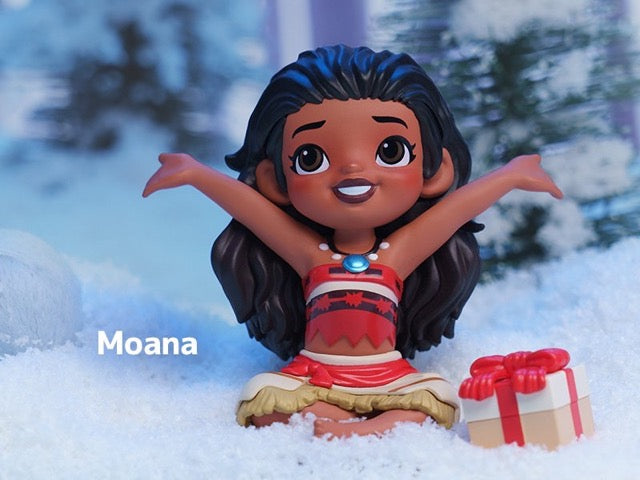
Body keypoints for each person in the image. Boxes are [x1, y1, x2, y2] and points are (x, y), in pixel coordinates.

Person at [143, 45, 562, 438]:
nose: (353, 169)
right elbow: (253, 212)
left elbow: (454, 212)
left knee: (432, 400)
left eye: (391, 151)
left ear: (436, 172)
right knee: (265, 399)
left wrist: (510, 175)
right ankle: (346, 424)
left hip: (386, 373)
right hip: (316, 373)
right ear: (274, 180)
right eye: (311, 158)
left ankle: (356, 428)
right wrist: (195, 173)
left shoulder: (395, 257)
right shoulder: (312, 257)